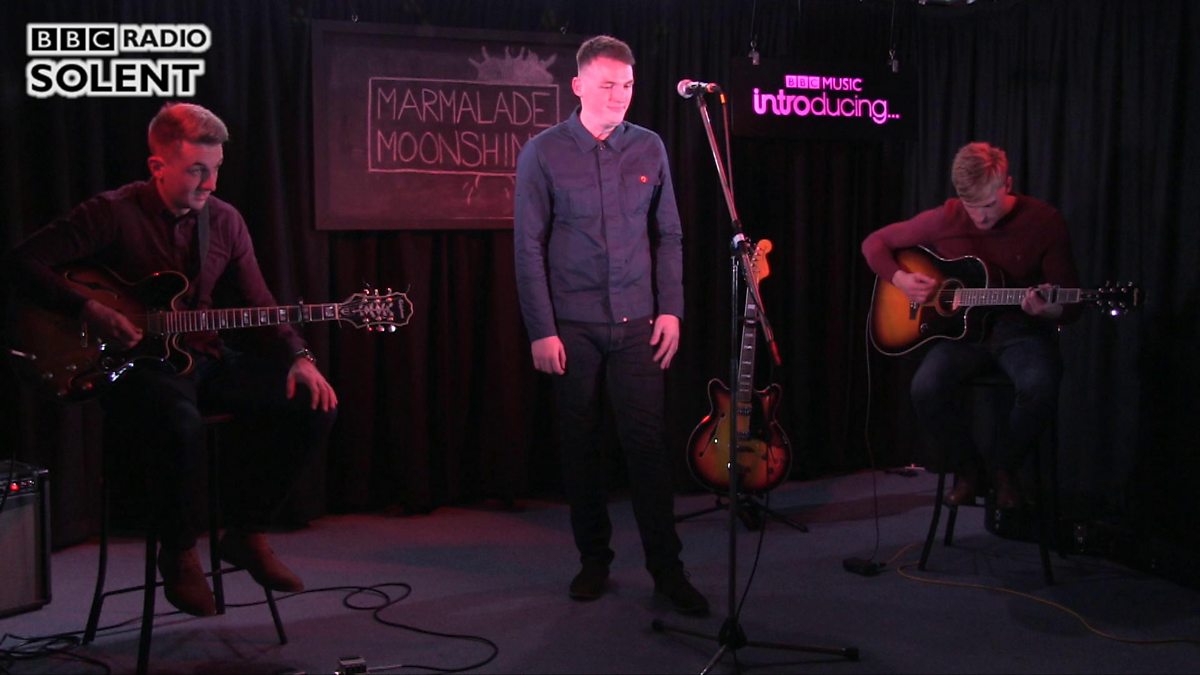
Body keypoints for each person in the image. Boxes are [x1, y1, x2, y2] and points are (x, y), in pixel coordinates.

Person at [5, 102, 338, 617]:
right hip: (134, 366)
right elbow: (21, 263)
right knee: (180, 423)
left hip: (202, 357)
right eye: (197, 171)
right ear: (158, 167)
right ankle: (179, 553)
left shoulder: (225, 222)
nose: (211, 183)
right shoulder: (110, 213)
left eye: (216, 169)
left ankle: (246, 531)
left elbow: (259, 301)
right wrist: (90, 310)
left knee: (311, 403)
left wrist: (300, 355)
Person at [513, 35, 708, 615]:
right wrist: (541, 329)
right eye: (607, 85)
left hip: (638, 322)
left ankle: (667, 570)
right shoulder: (543, 152)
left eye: (627, 85)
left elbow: (669, 234)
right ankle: (593, 560)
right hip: (571, 324)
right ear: (578, 86)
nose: (620, 95)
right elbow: (528, 247)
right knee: (581, 445)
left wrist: (671, 308)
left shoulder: (649, 147)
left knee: (647, 446)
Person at [861, 141, 1080, 508]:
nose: (979, 217)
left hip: (1020, 331)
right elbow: (874, 244)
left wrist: (1048, 310)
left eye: (989, 205)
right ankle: (968, 470)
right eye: (970, 206)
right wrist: (900, 279)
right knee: (925, 388)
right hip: (962, 336)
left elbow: (1071, 305)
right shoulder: (947, 218)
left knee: (1040, 384)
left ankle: (1004, 469)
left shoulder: (1044, 222)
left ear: (1007, 184)